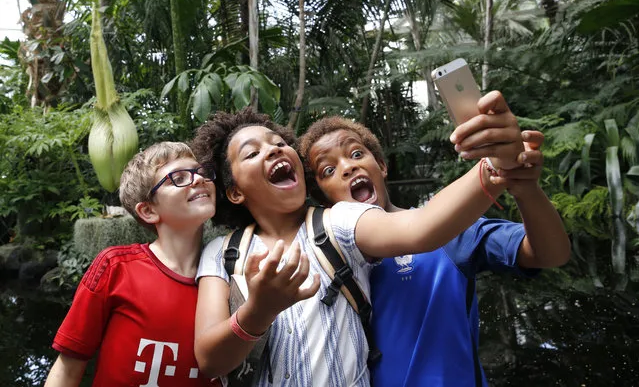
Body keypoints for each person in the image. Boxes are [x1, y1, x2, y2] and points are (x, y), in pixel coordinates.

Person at [191, 91, 529, 386]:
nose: (274, 151)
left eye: (280, 144)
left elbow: (421, 228)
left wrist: (494, 165)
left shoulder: (339, 220)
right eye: (252, 153)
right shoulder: (221, 254)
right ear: (234, 192)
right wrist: (258, 311)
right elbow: (209, 362)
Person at [297, 96, 570, 387]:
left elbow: (549, 254)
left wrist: (525, 188)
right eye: (328, 170)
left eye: (355, 154)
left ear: (381, 165)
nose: (347, 168)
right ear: (324, 200)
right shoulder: (330, 263)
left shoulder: (450, 231)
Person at [44, 142, 221, 387]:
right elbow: (68, 368)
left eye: (200, 172)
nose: (198, 180)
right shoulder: (116, 268)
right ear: (148, 211)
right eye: (178, 177)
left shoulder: (229, 273)